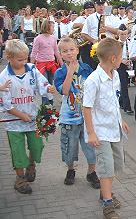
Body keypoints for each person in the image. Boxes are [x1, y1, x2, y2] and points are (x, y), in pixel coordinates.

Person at [83, 38, 130, 219]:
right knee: (106, 167)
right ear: (112, 58)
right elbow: (86, 108)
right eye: (120, 57)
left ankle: (105, 192)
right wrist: (91, 132)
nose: (121, 60)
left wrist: (121, 119)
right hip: (100, 132)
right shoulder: (93, 80)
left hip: (114, 129)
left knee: (116, 165)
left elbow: (113, 100)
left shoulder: (115, 74)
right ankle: (108, 204)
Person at [0, 39, 55, 194]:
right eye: (20, 59)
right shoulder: (4, 77)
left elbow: (41, 84)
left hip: (32, 118)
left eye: (26, 58)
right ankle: (20, 179)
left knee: (37, 146)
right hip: (14, 122)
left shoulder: (31, 69)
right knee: (18, 151)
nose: (24, 62)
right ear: (9, 57)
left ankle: (31, 164)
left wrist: (48, 88)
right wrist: (20, 114)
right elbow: (6, 104)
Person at [54, 37, 100, 188]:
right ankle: (70, 169)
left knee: (91, 147)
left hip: (88, 117)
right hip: (69, 118)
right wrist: (70, 72)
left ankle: (91, 172)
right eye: (65, 51)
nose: (69, 53)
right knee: (69, 147)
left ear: (78, 50)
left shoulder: (86, 68)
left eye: (72, 50)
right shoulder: (59, 72)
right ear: (60, 54)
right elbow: (65, 91)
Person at [30, 19, 63, 104]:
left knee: (51, 83)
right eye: (52, 27)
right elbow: (34, 52)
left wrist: (62, 63)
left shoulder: (53, 38)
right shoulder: (38, 38)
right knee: (44, 84)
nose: (53, 28)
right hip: (42, 64)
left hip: (51, 64)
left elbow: (56, 51)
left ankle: (50, 102)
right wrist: (30, 65)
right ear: (47, 27)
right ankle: (45, 104)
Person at [81, 0, 108, 69]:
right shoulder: (90, 18)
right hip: (95, 47)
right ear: (95, 6)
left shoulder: (111, 17)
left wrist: (109, 29)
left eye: (103, 5)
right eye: (99, 5)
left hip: (108, 46)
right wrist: (93, 40)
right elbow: (83, 33)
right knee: (95, 68)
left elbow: (118, 31)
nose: (101, 7)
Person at [116, 24, 134, 115]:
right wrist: (122, 61)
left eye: (125, 34)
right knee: (124, 86)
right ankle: (128, 107)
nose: (123, 36)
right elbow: (114, 56)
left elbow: (133, 52)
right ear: (118, 34)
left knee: (125, 84)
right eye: (121, 34)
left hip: (129, 65)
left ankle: (121, 101)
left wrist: (130, 60)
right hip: (119, 66)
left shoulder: (130, 42)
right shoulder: (116, 44)